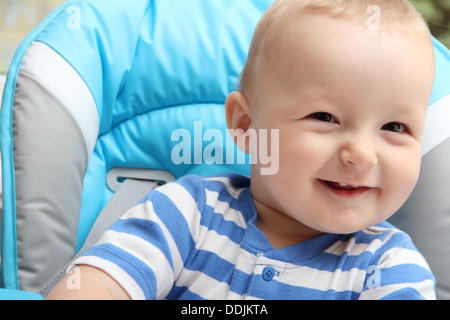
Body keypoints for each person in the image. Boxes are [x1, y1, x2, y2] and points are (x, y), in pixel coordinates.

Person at [47, 0, 436, 300]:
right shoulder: (188, 213)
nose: (362, 155)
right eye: (325, 116)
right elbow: (99, 284)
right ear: (246, 127)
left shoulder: (389, 268)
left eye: (395, 127)